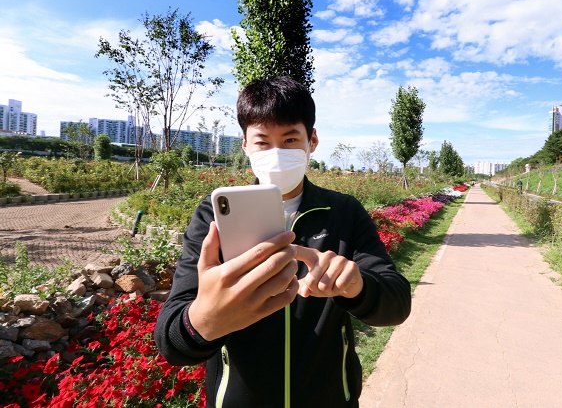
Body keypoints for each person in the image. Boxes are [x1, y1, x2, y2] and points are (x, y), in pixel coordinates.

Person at [155, 76, 412, 407]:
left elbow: (397, 303)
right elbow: (172, 339)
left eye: (290, 139)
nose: (276, 154)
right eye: (263, 142)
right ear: (245, 145)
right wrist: (202, 320)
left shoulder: (343, 211)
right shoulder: (214, 216)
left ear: (312, 141)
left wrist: (357, 285)